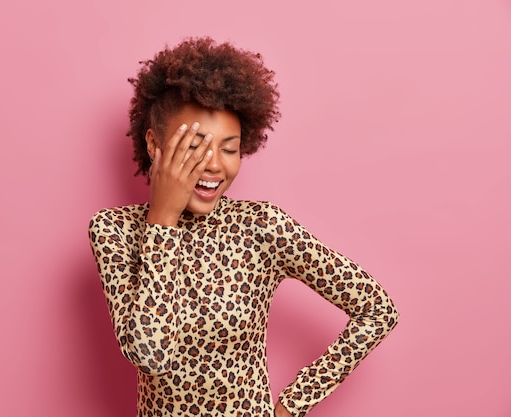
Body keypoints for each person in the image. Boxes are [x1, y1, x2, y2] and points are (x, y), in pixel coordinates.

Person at [88, 37, 399, 417]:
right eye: (194, 146)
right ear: (155, 144)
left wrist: (292, 404)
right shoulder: (113, 231)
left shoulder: (262, 227)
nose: (214, 165)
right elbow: (150, 354)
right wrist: (163, 221)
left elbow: (377, 309)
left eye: (230, 148)